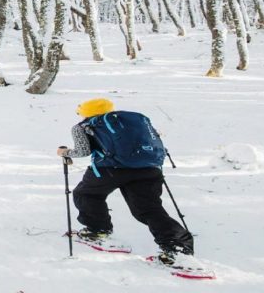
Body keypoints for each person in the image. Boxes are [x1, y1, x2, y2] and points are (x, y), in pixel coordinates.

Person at [57, 97, 193, 265]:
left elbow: (83, 151)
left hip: (110, 170)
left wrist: (65, 152)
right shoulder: (133, 121)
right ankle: (177, 248)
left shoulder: (83, 126)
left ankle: (97, 231)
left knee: (87, 194)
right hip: (148, 168)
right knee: (149, 209)